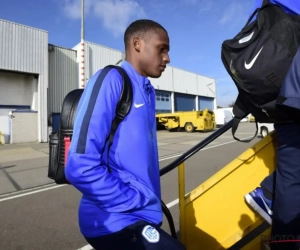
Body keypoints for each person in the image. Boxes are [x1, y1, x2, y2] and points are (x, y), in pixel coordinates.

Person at [64, 19, 186, 250]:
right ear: (137, 44)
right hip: (116, 220)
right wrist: (134, 200)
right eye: (162, 49)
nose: (167, 58)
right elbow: (79, 166)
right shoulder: (111, 79)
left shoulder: (148, 92)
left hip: (141, 216)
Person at [244, 1, 300, 249]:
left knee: (291, 173)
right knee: (292, 177)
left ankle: (267, 193)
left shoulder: (267, 8)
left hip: (283, 95)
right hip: (293, 94)